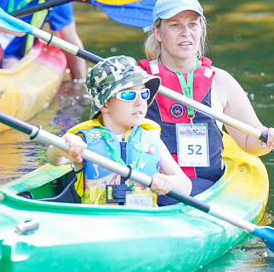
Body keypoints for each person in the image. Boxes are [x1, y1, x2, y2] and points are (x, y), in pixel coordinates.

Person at [139, 0, 274, 196]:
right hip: (152, 184)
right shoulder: (138, 81)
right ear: (157, 33)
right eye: (175, 25)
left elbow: (249, 141)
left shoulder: (221, 81)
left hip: (208, 188)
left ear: (201, 29)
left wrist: (268, 138)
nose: (186, 32)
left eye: (193, 24)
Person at [46, 56, 191, 206]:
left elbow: (186, 186)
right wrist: (62, 145)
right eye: (128, 95)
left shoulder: (150, 138)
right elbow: (54, 159)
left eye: (144, 94)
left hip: (143, 222)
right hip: (98, 222)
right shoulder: (85, 140)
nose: (139, 102)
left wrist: (169, 181)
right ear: (104, 105)